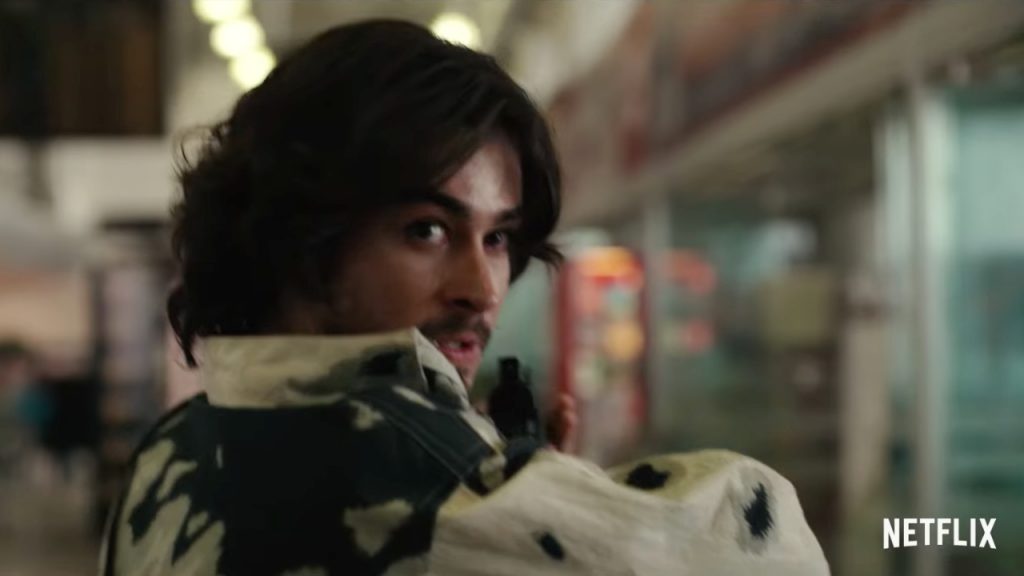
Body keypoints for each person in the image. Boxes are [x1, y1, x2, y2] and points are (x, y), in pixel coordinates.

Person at [101, 19, 829, 576]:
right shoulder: (428, 486)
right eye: (426, 230)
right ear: (296, 241)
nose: (481, 289)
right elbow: (771, 551)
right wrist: (539, 490)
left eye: (498, 238)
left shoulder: (171, 449)